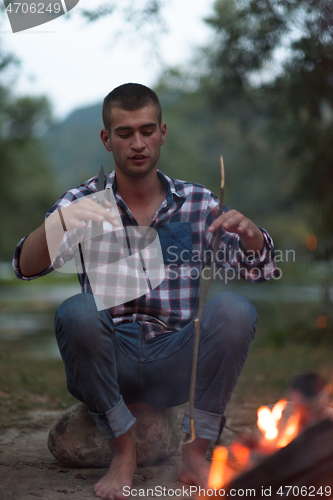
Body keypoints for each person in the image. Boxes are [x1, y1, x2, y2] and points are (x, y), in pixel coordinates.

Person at [13, 83, 278, 500]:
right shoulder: (83, 201)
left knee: (234, 309)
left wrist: (252, 240)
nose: (138, 143)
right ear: (106, 139)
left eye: (147, 130)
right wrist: (60, 222)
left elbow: (261, 271)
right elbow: (25, 267)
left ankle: (195, 451)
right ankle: (123, 452)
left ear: (163, 133)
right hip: (108, 360)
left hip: (176, 361)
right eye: (124, 133)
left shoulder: (197, 202)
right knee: (78, 310)